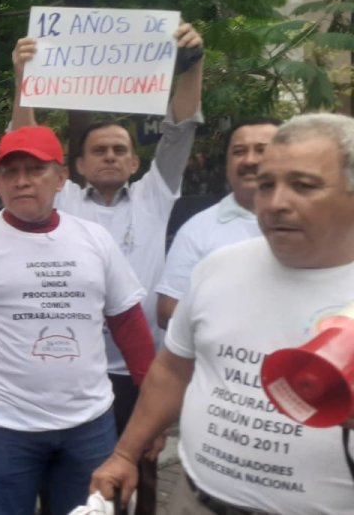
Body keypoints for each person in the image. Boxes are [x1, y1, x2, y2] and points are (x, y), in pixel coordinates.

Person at [91, 112, 354, 513]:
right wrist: (126, 453)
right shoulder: (219, 266)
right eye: (267, 185)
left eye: (304, 185)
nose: (277, 202)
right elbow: (172, 369)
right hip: (194, 502)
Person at [11, 22, 203, 512]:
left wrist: (192, 65)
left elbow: (181, 131)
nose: (112, 156)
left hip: (143, 369)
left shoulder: (155, 197)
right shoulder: (66, 201)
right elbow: (25, 144)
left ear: (136, 163)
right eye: (100, 150)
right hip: (77, 369)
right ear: (73, 168)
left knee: (141, 476)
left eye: (121, 150)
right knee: (82, 487)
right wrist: (22, 77)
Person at [0, 125, 155, 515]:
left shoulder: (95, 240)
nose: (22, 181)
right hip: (1, 427)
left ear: (61, 178)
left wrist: (150, 414)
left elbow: (129, 327)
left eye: (35, 169)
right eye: (9, 172)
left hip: (89, 424)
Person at [154, 118, 281, 328]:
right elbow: (168, 312)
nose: (249, 160)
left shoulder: (315, 224)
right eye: (239, 152)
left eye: (262, 150)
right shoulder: (197, 229)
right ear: (227, 163)